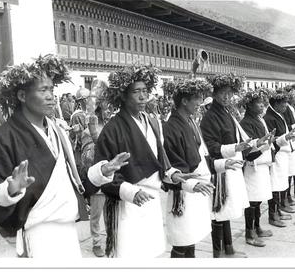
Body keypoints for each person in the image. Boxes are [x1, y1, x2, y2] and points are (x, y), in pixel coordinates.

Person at [0, 55, 125, 258]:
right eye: (43, 90)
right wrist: (10, 189)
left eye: (51, 89)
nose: (51, 96)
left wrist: (101, 171)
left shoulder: (57, 131)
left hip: (68, 233)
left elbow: (74, 180)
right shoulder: (3, 137)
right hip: (37, 235)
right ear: (22, 95)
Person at [83, 64, 196, 258]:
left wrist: (173, 175)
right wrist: (130, 191)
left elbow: (160, 160)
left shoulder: (152, 121)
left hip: (151, 202)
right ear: (123, 96)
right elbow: (105, 174)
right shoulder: (113, 129)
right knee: (130, 256)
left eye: (145, 91)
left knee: (150, 254)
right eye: (136, 92)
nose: (143, 96)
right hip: (127, 204)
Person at [200, 73, 261, 258]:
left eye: (229, 93)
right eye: (222, 93)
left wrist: (254, 144)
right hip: (220, 168)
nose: (227, 97)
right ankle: (218, 253)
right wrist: (234, 147)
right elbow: (210, 147)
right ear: (215, 94)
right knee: (219, 211)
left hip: (231, 165)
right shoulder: (210, 117)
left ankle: (229, 248)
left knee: (226, 210)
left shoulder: (227, 113)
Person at [163, 79, 215, 258]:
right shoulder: (172, 126)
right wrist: (191, 183)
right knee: (181, 242)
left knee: (191, 237)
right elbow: (172, 163)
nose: (200, 104)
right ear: (184, 101)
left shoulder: (189, 121)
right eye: (197, 99)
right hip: (183, 191)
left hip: (197, 186)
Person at [239, 89, 277, 246]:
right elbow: (248, 151)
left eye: (263, 103)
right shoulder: (246, 122)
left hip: (262, 166)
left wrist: (268, 140)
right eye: (259, 103)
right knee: (252, 202)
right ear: (249, 105)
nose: (263, 106)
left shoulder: (259, 119)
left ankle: (258, 227)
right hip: (253, 167)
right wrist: (264, 145)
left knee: (259, 200)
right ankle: (249, 233)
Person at [79, 79, 111, 257]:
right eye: (103, 103)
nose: (106, 107)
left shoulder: (109, 124)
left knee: (110, 212)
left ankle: (110, 239)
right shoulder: (88, 127)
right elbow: (88, 156)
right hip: (96, 174)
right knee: (97, 213)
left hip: (111, 174)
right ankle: (97, 242)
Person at [263, 90, 295, 227]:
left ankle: (278, 210)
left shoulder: (278, 114)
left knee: (281, 183)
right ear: (275, 104)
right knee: (275, 185)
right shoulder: (269, 117)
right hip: (277, 154)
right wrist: (284, 138)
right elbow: (271, 139)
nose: (285, 106)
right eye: (283, 103)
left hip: (283, 154)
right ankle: (273, 214)